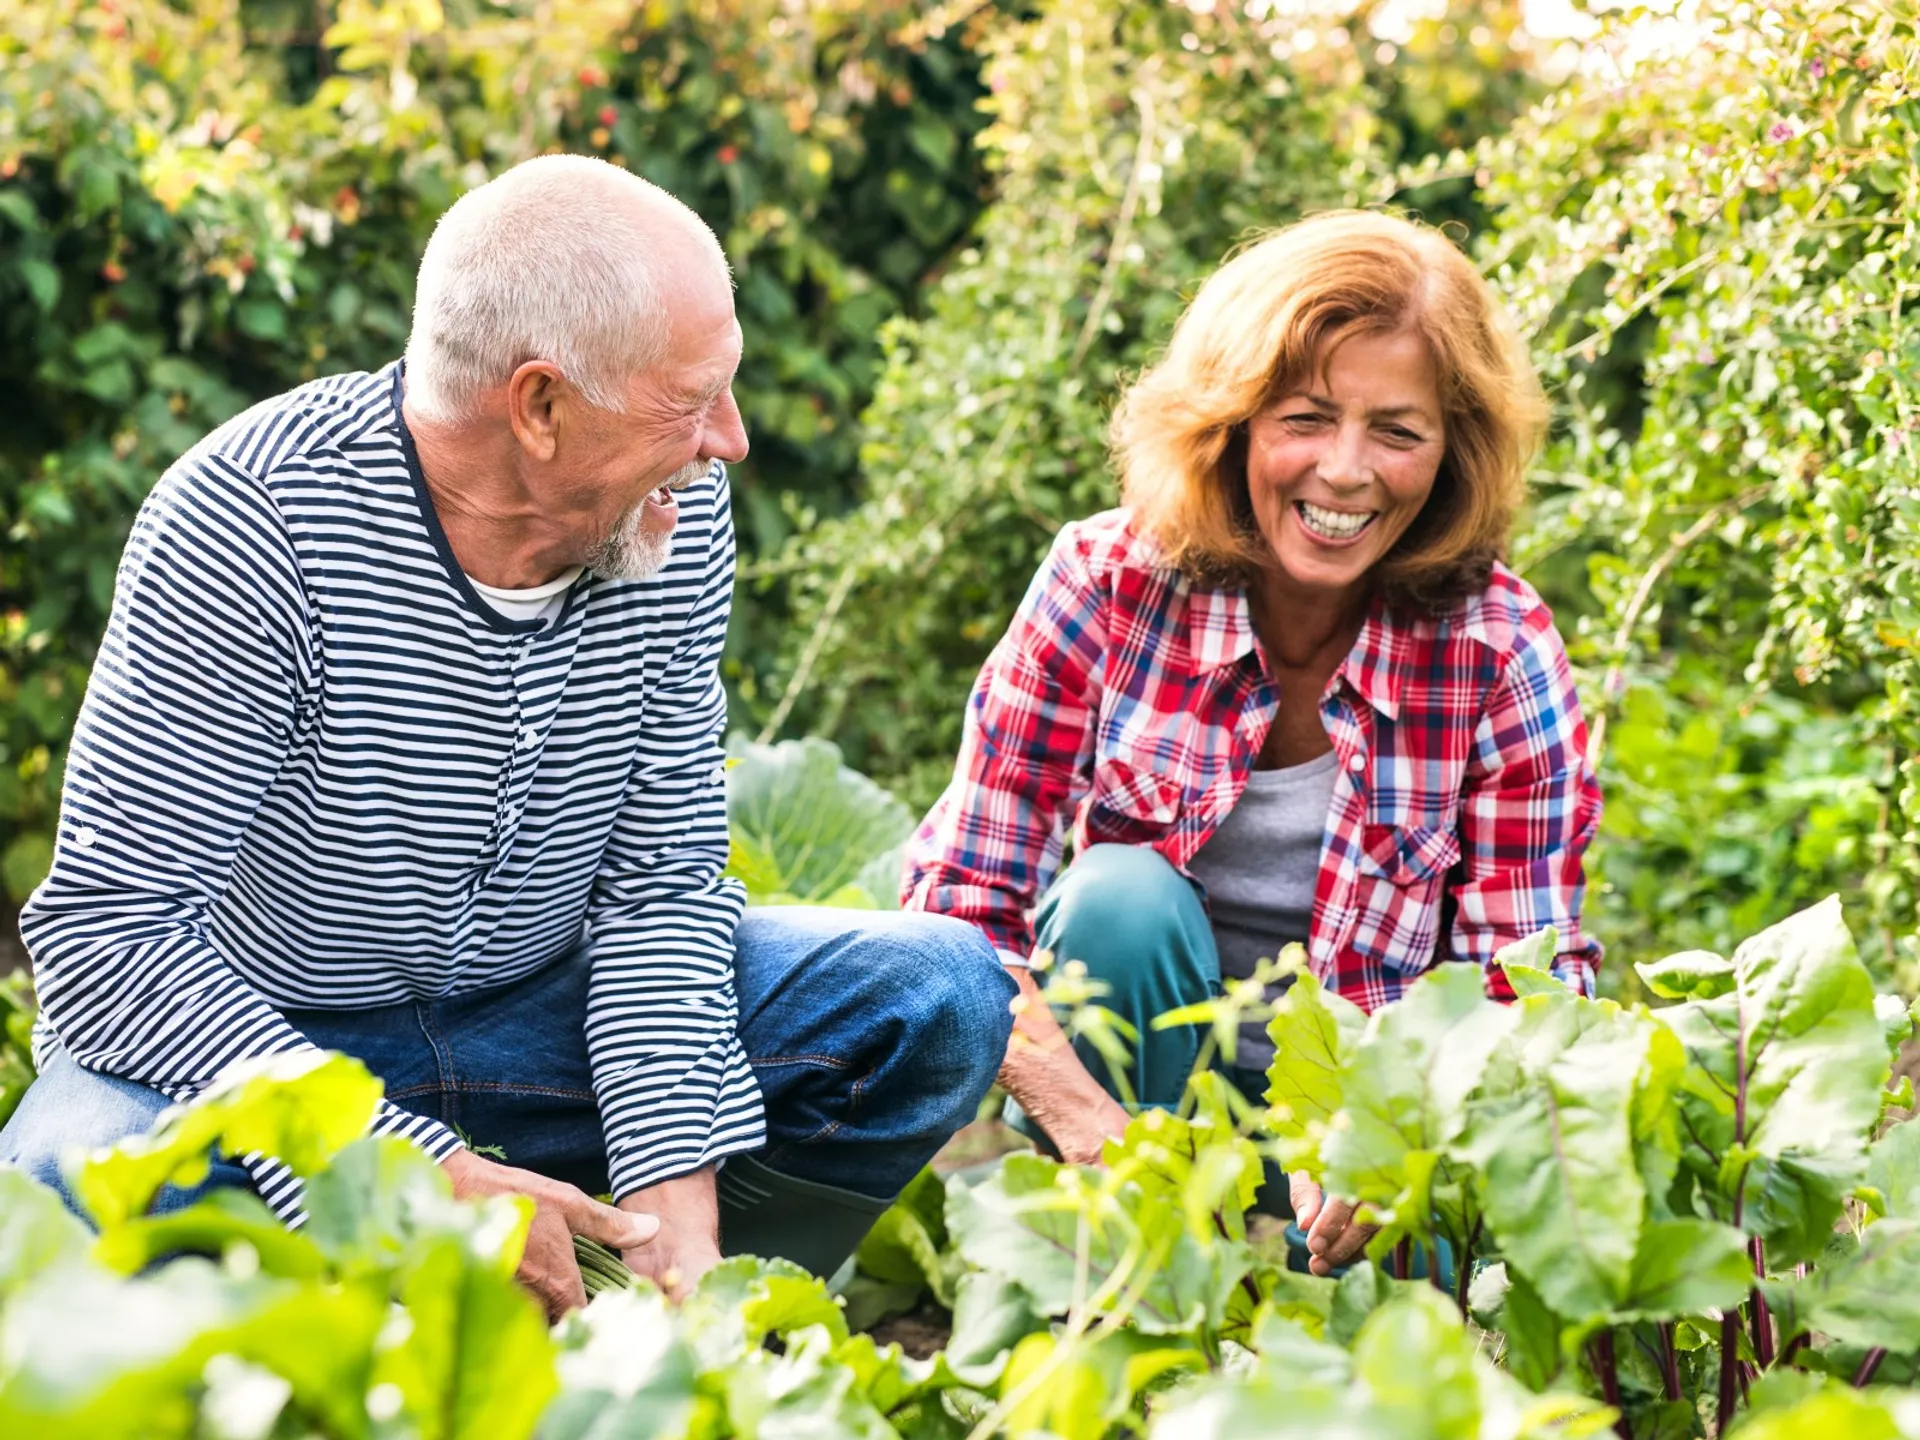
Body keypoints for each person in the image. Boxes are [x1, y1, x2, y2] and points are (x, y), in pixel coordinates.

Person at [0, 154, 1014, 1314]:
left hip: (542, 1032)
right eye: (691, 400)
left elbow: (661, 889)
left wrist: (678, 1216)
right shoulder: (255, 520)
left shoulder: (664, 510)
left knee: (939, 998)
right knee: (62, 1196)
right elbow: (110, 935)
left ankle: (637, 1307)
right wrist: (414, 1167)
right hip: (276, 1049)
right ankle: (382, 1291)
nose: (728, 440)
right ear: (538, 407)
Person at [902, 210, 1601, 1277]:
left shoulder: (1498, 650)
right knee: (1120, 898)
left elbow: (1525, 986)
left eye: (1398, 433)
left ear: (1453, 453)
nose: (1347, 472)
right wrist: (1092, 1130)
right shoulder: (1108, 583)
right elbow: (958, 910)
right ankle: (1119, 1284)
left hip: (1368, 1138)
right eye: (1307, 418)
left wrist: (1389, 1138)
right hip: (1136, 1109)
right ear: (1232, 419)